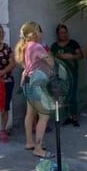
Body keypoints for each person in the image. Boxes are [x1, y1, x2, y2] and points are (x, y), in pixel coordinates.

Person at [17, 21, 55, 159]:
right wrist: (50, 59)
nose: (40, 33)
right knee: (44, 116)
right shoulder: (37, 47)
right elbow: (50, 61)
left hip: (27, 82)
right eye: (37, 31)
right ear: (31, 34)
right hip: (38, 83)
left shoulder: (25, 47)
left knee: (30, 113)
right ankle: (38, 148)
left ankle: (29, 142)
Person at [50, 23, 83, 126]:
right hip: (60, 76)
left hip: (72, 73)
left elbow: (80, 55)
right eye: (61, 33)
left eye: (65, 32)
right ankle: (68, 117)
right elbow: (51, 59)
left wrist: (71, 56)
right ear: (58, 34)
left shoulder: (73, 43)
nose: (64, 34)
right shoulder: (54, 46)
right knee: (64, 96)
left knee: (72, 95)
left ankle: (74, 117)